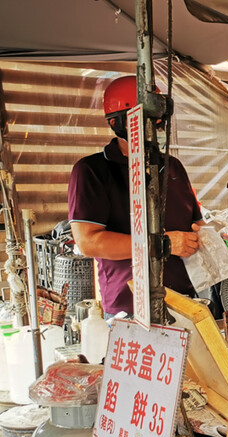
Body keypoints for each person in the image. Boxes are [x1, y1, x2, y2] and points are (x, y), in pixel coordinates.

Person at [68, 75, 202, 316]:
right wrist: (163, 245)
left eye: (157, 119)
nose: (155, 125)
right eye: (144, 119)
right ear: (116, 123)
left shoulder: (173, 166)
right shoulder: (92, 170)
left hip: (185, 303)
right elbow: (88, 241)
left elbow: (196, 222)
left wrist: (210, 237)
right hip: (128, 308)